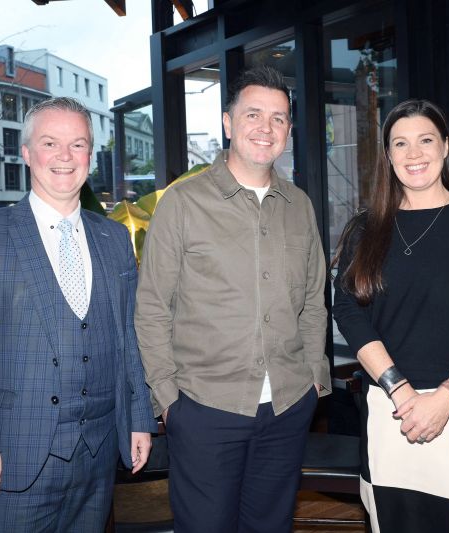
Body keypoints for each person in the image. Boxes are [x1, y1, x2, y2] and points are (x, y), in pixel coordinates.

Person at [0, 97, 155, 532]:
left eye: (77, 145)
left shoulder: (113, 238)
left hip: (98, 454)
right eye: (50, 143)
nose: (64, 157)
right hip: (15, 456)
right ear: (26, 152)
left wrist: (139, 420)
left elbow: (128, 338)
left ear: (90, 155)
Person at [135, 65, 331, 533]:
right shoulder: (182, 204)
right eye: (253, 114)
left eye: (279, 118)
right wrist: (169, 401)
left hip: (286, 407)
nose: (266, 128)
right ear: (227, 123)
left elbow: (312, 302)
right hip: (204, 409)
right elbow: (152, 308)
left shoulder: (299, 206)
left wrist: (311, 383)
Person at [332, 99, 449, 532]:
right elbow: (349, 310)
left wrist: (446, 397)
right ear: (388, 156)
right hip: (388, 409)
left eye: (425, 140)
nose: (413, 154)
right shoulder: (365, 228)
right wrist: (399, 390)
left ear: (446, 146)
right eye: (400, 143)